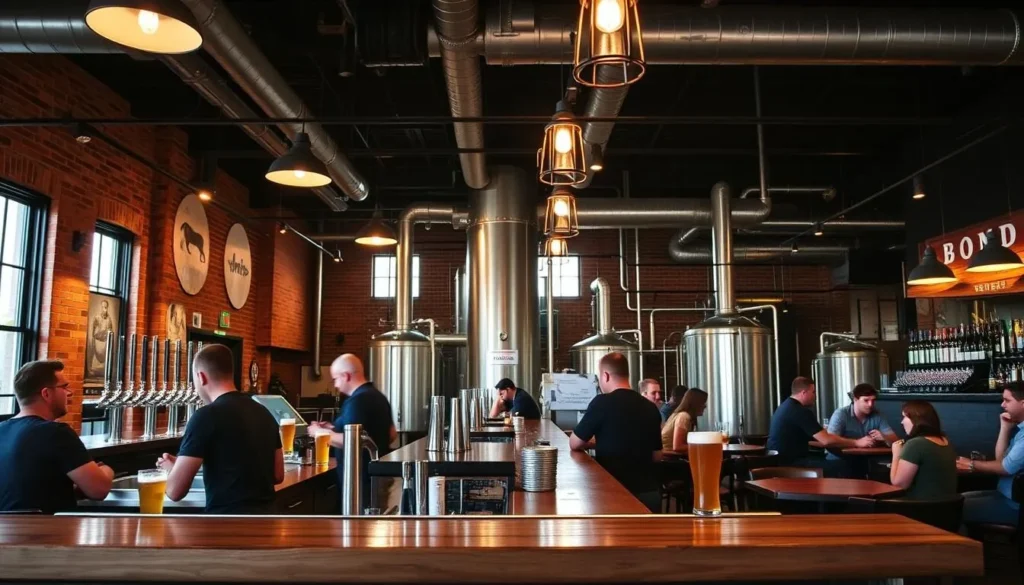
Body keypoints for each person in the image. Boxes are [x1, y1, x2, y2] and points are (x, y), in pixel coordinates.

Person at [157, 344, 284, 514]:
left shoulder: (205, 416)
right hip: (267, 523)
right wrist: (181, 465)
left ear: (201, 377)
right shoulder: (263, 412)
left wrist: (171, 470)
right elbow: (277, 475)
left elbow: (174, 491)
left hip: (226, 526)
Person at [0, 360, 113, 514]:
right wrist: (107, 470)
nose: (70, 393)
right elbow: (99, 490)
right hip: (49, 534)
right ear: (46, 393)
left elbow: (24, 492)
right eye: (64, 387)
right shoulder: (56, 433)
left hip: (6, 535)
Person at [569, 352, 663, 512]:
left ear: (605, 376)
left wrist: (597, 444)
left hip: (613, 492)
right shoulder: (650, 407)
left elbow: (574, 443)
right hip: (648, 493)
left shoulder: (602, 403)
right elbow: (657, 456)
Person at [308, 354, 397, 510]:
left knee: (359, 530)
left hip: (360, 481)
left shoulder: (358, 401)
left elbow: (353, 441)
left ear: (346, 376)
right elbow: (391, 433)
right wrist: (331, 428)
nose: (335, 385)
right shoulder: (377, 396)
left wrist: (318, 433)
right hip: (375, 477)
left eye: (335, 379)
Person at [767, 376, 875, 478]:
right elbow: (826, 440)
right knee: (848, 467)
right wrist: (856, 442)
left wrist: (826, 433)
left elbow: (817, 437)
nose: (816, 396)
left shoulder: (786, 406)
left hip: (780, 461)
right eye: (813, 392)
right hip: (791, 464)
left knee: (844, 462)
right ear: (803, 393)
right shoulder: (800, 411)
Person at [956, 383, 1024, 526]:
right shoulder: (1020, 431)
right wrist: (1005, 428)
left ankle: (967, 548)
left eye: (1007, 400)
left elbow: (1005, 468)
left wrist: (971, 464)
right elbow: (1001, 460)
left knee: (953, 507)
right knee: (959, 498)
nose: (1002, 404)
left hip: (1015, 506)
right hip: (1003, 495)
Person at [889, 400, 957, 500]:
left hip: (919, 509)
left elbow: (899, 484)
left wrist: (896, 453)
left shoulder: (915, 444)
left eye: (904, 417)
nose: (902, 422)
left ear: (916, 418)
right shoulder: (945, 441)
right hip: (947, 509)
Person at [826, 383, 899, 462]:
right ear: (855, 399)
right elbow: (830, 441)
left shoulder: (878, 415)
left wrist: (885, 437)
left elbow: (897, 442)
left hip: (865, 461)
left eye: (873, 401)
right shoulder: (841, 414)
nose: (870, 404)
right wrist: (856, 443)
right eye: (866, 400)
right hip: (839, 461)